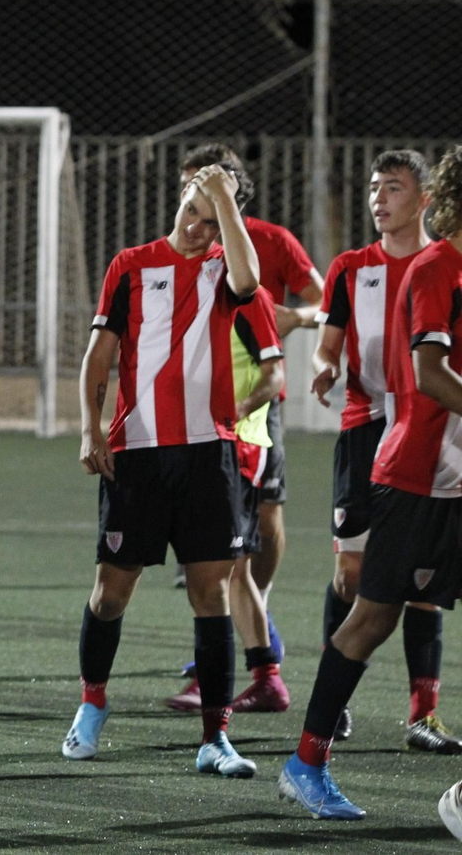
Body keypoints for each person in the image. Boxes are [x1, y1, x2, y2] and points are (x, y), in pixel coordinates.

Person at [278, 146, 462, 822]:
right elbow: (431, 374)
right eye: (375, 188)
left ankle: (427, 717)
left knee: (389, 610)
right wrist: (324, 364)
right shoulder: (435, 267)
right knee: (369, 612)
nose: (379, 198)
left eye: (394, 187)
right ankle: (307, 759)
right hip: (414, 472)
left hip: (455, 475)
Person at [65, 157, 261, 777]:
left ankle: (215, 738)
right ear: (179, 197)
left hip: (209, 454)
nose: (201, 230)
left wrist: (226, 200)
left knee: (211, 594)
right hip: (139, 456)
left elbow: (250, 278)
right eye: (195, 212)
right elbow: (98, 359)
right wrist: (90, 428)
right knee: (110, 594)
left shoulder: (223, 269)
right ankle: (92, 704)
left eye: (215, 221)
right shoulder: (129, 264)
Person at [174, 146, 322, 633]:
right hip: (197, 404)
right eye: (186, 190)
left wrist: (293, 318)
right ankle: (244, 637)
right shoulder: (180, 247)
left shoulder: (271, 242)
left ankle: (260, 610)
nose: (190, 202)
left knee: (267, 512)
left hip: (255, 401)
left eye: (201, 188)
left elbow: (323, 302)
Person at [167, 288, 287, 713]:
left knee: (221, 568)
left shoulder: (249, 298)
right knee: (234, 570)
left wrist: (237, 409)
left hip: (240, 446)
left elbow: (275, 375)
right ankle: (264, 677)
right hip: (209, 443)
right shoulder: (194, 291)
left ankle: (215, 679)